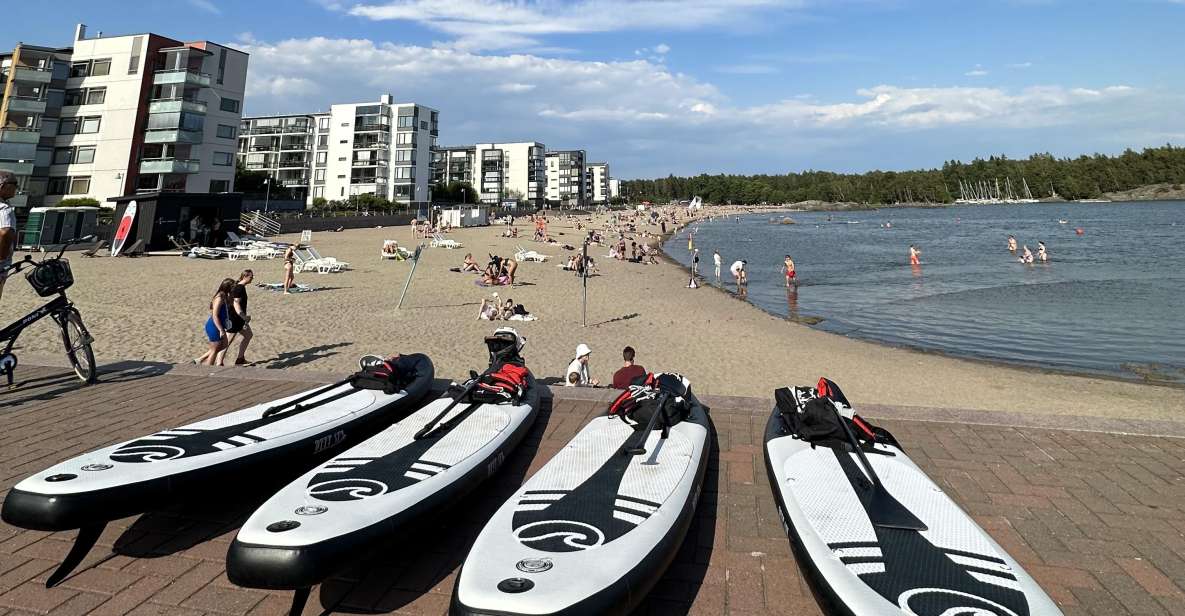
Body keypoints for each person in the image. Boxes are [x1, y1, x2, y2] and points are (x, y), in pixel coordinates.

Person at [219, 269, 255, 366]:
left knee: (248, 335)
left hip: (238, 319)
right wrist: (244, 317)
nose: (252, 279)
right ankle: (219, 363)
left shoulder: (238, 286)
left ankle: (240, 359)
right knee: (227, 342)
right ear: (245, 277)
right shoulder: (239, 288)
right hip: (234, 318)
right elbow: (236, 304)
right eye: (251, 277)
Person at [197, 278, 236, 366]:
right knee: (214, 350)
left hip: (220, 325)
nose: (234, 289)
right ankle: (208, 369)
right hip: (214, 326)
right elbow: (215, 315)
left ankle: (199, 360)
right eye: (233, 287)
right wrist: (221, 330)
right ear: (227, 287)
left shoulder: (225, 296)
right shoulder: (219, 297)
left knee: (224, 345)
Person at [0, 171, 17, 302]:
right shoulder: (4, 209)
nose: (16, 188)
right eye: (14, 184)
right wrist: (2, 258)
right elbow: (5, 232)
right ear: (3, 186)